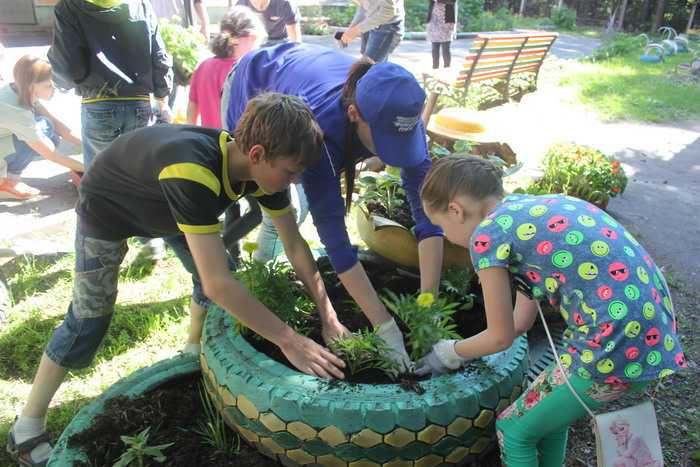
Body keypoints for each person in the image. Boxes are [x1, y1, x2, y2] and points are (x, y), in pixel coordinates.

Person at [6, 93, 346, 467]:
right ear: (257, 154)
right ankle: (26, 427)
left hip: (166, 206)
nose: (294, 181)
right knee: (89, 319)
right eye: (291, 172)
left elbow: (295, 245)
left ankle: (190, 354)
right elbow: (219, 284)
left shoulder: (261, 174)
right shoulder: (194, 171)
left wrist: (328, 317)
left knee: (213, 280)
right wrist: (289, 340)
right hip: (109, 207)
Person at [416, 156, 687, 466]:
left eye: (440, 226)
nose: (445, 236)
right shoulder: (529, 215)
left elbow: (500, 337)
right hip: (653, 334)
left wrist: (447, 353)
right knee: (546, 421)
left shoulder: (487, 236)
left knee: (514, 430)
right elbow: (521, 321)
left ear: (455, 210)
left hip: (613, 344)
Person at [224, 43, 446, 372]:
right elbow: (335, 241)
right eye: (386, 140)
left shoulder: (401, 113)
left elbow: (428, 217)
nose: (395, 151)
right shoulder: (322, 134)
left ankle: (256, 265)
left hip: (305, 81)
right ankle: (253, 276)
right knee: (276, 209)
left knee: (281, 211)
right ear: (355, 115)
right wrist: (386, 328)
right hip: (254, 82)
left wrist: (429, 305)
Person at [48, 0, 173, 169]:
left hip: (97, 102)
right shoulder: (141, 4)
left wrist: (62, 84)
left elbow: (67, 65)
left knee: (100, 177)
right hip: (139, 103)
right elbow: (159, 56)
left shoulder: (69, 6)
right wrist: (162, 98)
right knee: (139, 175)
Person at [0, 56, 84, 200]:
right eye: (49, 86)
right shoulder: (14, 110)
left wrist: (88, 146)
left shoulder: (19, 89)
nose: (54, 90)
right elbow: (50, 154)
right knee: (41, 133)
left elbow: (56, 124)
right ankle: (6, 183)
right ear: (32, 85)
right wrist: (91, 168)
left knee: (46, 125)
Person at [187, 6, 266, 128]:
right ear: (251, 37)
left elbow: (192, 106)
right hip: (235, 143)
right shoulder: (246, 70)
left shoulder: (204, 66)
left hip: (208, 141)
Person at [339, 0, 404, 62]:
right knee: (366, 63)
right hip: (371, 21)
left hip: (388, 26)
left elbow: (388, 12)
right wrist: (351, 30)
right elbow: (364, 6)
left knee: (368, 65)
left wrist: (357, 30)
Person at [236, 0, 301, 46]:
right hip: (257, 42)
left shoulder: (285, 3)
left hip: (282, 41)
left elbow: (295, 39)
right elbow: (239, 34)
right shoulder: (241, 5)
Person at [426, 0, 457, 69]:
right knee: (435, 48)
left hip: (447, 19)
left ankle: (447, 69)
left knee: (446, 49)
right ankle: (435, 69)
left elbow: (452, 1)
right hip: (434, 19)